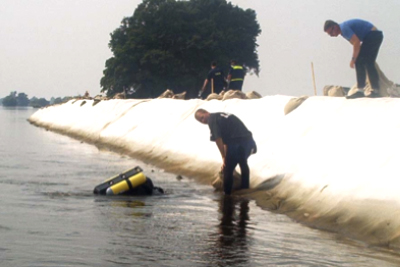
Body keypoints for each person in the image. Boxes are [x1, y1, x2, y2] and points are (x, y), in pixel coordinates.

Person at [195, 109, 257, 195]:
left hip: (238, 142)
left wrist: (224, 157)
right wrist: (226, 157)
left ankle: (227, 194)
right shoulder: (220, 116)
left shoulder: (212, 120)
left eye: (202, 117)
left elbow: (218, 139)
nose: (203, 121)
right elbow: (226, 141)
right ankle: (245, 188)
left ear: (206, 113)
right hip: (248, 141)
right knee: (243, 162)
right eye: (201, 121)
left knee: (228, 169)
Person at [324, 19, 384, 98]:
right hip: (372, 36)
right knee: (364, 61)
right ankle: (367, 89)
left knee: (364, 62)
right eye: (329, 34)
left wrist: (353, 59)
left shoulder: (344, 28)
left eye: (331, 32)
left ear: (335, 27)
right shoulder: (343, 32)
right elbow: (354, 43)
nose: (331, 35)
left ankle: (368, 90)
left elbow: (356, 42)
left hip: (373, 35)